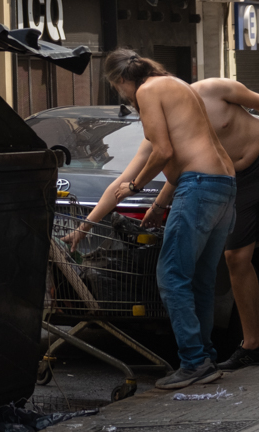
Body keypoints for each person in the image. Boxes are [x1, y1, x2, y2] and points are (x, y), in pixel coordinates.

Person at [69, 49, 236, 390]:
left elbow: (163, 154)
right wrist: (85, 227)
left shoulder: (147, 91)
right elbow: (133, 176)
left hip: (199, 186)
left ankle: (193, 362)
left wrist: (137, 186)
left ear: (120, 82)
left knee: (171, 275)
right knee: (200, 280)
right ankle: (204, 357)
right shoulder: (177, 87)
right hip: (223, 185)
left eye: (120, 91)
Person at [142, 78, 259, 371]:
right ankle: (253, 345)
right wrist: (158, 206)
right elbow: (181, 168)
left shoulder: (213, 89)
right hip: (238, 180)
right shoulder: (175, 121)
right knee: (236, 258)